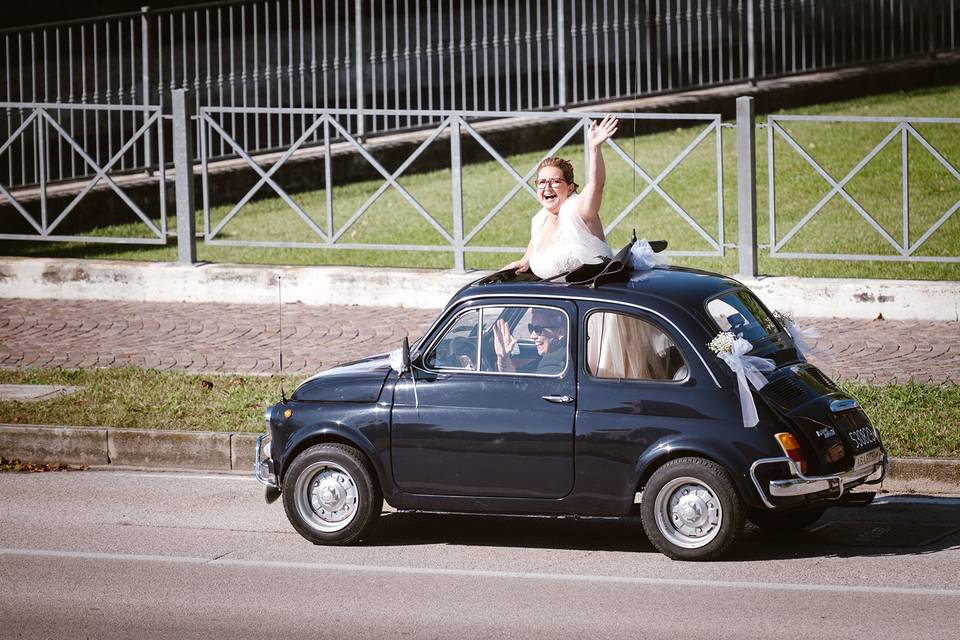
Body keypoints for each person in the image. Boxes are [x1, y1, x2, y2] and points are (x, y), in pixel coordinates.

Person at [503, 114, 619, 279]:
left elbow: (596, 185)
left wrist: (595, 148)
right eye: (541, 182)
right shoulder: (539, 220)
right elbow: (534, 249)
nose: (547, 187)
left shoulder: (578, 211)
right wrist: (525, 260)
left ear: (570, 187)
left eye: (555, 181)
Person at [492, 308, 567, 375]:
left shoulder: (553, 367)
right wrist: (503, 358)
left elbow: (517, 389)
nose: (532, 336)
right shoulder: (558, 355)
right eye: (531, 328)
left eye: (538, 329)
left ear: (560, 333)